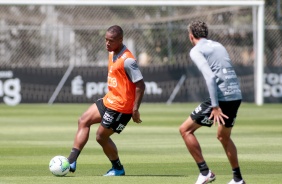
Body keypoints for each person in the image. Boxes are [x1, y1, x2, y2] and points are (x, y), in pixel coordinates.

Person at [67, 25, 145, 176]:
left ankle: (118, 168)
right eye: (106, 40)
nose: (107, 44)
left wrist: (135, 110)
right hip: (109, 99)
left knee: (101, 137)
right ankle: (71, 161)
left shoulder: (128, 60)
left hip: (121, 107)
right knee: (83, 120)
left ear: (121, 40)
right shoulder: (111, 52)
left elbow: (140, 85)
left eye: (111, 41)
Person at [179, 21, 245, 184]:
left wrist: (215, 106)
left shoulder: (196, 50)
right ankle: (237, 179)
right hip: (235, 95)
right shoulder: (218, 45)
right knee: (223, 137)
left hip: (221, 98)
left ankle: (205, 172)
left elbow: (210, 77)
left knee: (185, 130)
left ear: (191, 36)